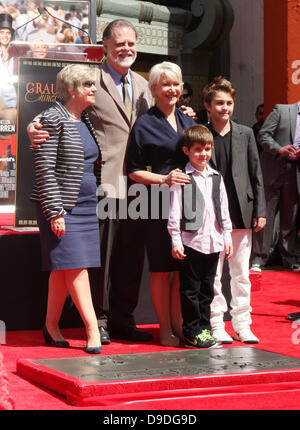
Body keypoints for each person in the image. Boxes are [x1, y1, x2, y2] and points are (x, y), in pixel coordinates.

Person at [27, 19, 194, 345]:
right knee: (100, 256)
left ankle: (123, 318)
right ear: (104, 46)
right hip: (102, 184)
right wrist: (35, 126)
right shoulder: (92, 80)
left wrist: (181, 108)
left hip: (143, 186)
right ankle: (100, 320)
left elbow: (160, 118)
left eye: (132, 44)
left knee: (131, 258)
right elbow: (60, 109)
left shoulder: (145, 85)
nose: (126, 50)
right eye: (120, 44)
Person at [30, 64, 102, 354]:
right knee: (75, 266)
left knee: (63, 269)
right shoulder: (51, 118)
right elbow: (44, 169)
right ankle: (92, 328)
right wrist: (55, 211)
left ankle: (50, 325)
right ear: (72, 89)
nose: (93, 89)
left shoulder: (84, 118)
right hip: (61, 205)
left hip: (85, 205)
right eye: (87, 84)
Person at [127, 61, 195, 346]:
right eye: (165, 84)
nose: (172, 89)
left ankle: (180, 326)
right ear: (153, 88)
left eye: (176, 83)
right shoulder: (144, 124)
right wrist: (164, 180)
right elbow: (133, 171)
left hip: (190, 202)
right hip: (157, 204)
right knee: (161, 268)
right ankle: (164, 328)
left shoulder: (189, 121)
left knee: (183, 269)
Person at [203, 76, 266, 344]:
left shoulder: (246, 133)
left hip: (242, 211)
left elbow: (256, 173)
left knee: (241, 273)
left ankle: (242, 323)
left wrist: (260, 209)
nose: (224, 108)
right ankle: (217, 323)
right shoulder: (200, 133)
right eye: (219, 103)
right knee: (214, 274)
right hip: (210, 215)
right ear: (208, 106)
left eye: (229, 103)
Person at [168, 124, 233, 349]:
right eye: (197, 149)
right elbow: (174, 212)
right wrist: (176, 241)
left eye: (206, 149)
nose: (202, 154)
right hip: (191, 243)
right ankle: (191, 331)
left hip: (214, 242)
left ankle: (204, 329)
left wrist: (227, 237)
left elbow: (223, 210)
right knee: (190, 291)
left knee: (207, 290)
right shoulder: (182, 178)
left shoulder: (216, 177)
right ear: (186, 150)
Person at [250, 102, 300, 272]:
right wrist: (279, 149)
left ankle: (289, 258)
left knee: (290, 218)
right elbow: (263, 135)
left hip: (295, 172)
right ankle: (258, 258)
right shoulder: (282, 110)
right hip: (273, 168)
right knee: (265, 216)